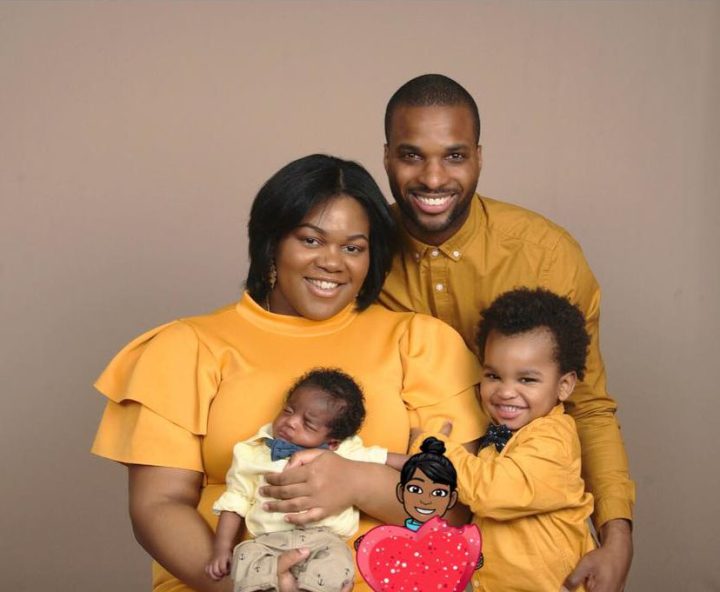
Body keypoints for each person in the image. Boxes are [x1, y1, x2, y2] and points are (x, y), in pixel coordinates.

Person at [91, 153, 483, 592]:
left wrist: (359, 482)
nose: (332, 262)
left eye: (353, 247)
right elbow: (160, 504)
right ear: (271, 244)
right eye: (311, 240)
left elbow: (455, 510)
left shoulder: (420, 343)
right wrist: (251, 585)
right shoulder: (186, 347)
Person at [378, 74, 635, 592]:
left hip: (529, 539)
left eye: (454, 156)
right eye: (411, 156)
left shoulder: (546, 255)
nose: (433, 177)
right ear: (386, 158)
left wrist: (617, 539)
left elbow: (588, 406)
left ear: (478, 157)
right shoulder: (358, 251)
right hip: (403, 520)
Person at [414, 288, 596, 591]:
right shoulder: (502, 432)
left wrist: (436, 451)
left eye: (527, 379)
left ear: (564, 385)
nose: (506, 392)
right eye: (493, 376)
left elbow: (490, 492)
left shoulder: (553, 441)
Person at [206, 368, 396, 592]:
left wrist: (423, 458)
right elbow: (236, 499)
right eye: (288, 411)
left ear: (332, 442)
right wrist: (222, 548)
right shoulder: (251, 452)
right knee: (245, 556)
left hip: (324, 541)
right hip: (266, 541)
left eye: (308, 424)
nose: (291, 422)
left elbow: (384, 458)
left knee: (336, 563)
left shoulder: (344, 452)